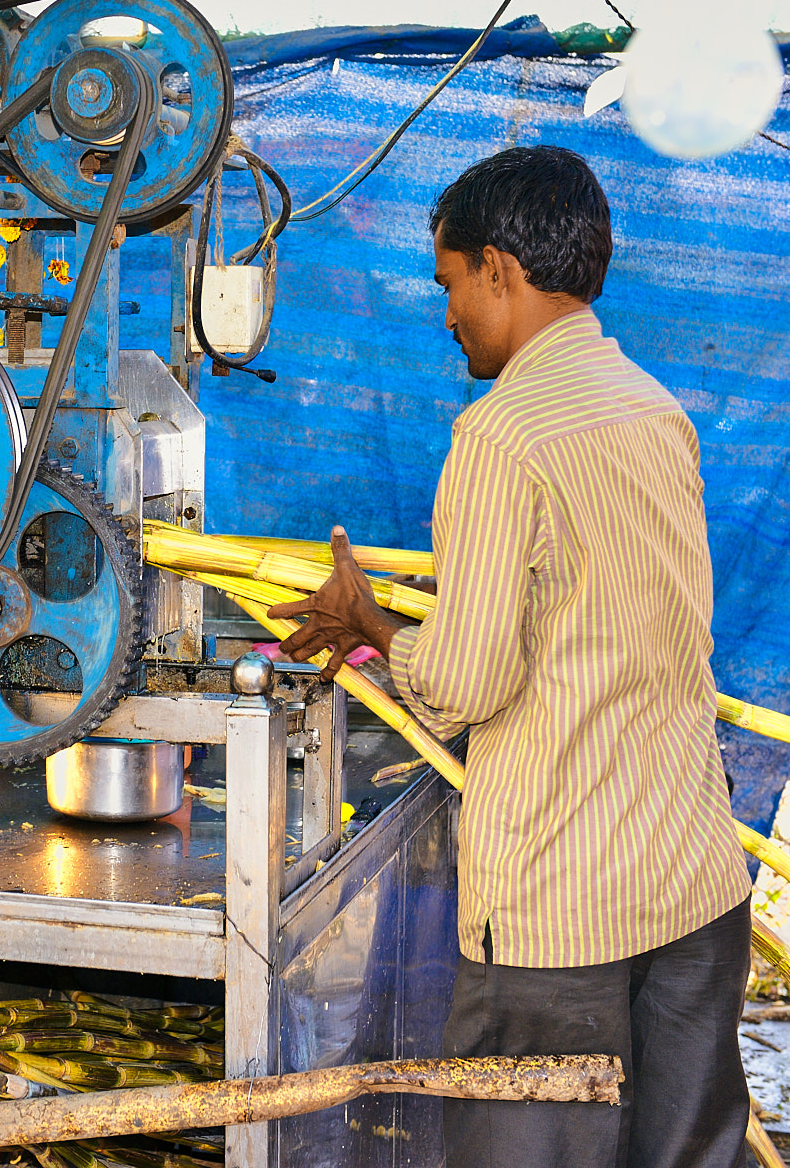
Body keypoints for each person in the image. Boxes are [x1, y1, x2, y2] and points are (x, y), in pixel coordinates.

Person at [270, 146, 754, 1168]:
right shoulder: (651, 408)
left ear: (496, 267)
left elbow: (464, 683)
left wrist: (372, 624)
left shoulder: (500, 435)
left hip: (560, 908)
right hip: (693, 878)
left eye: (448, 284)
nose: (446, 314)